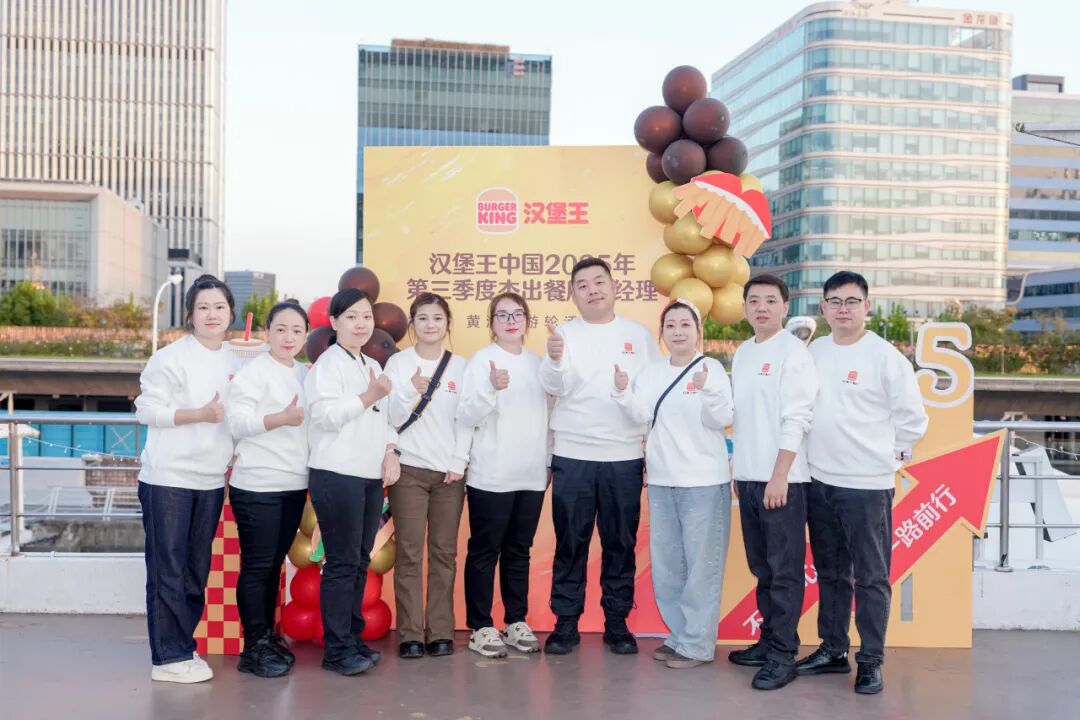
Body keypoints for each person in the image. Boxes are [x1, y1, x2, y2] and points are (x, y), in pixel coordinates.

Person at [796, 271, 928, 695]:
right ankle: (833, 649)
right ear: (823, 307)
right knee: (831, 573)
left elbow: (913, 420)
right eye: (835, 302)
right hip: (819, 480)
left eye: (852, 301)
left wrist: (885, 460)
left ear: (866, 306)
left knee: (871, 577)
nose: (843, 309)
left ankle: (870, 660)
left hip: (867, 487)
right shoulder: (815, 351)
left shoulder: (885, 357)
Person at [540, 257, 661, 655]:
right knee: (570, 543)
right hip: (573, 454)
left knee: (620, 543)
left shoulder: (638, 335)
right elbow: (554, 386)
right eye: (582, 285)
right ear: (572, 295)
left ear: (613, 287)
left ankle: (617, 622)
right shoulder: (564, 334)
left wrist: (649, 451)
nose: (592, 290)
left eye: (599, 282)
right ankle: (565, 623)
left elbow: (650, 397)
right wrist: (554, 357)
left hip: (623, 457)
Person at [612, 299, 734, 669]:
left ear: (698, 331)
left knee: (701, 567)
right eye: (671, 325)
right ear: (662, 333)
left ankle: (697, 644)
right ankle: (679, 636)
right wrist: (622, 392)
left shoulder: (711, 368)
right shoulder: (652, 373)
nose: (678, 331)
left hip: (704, 482)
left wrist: (708, 390)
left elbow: (722, 418)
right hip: (663, 480)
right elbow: (641, 417)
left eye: (685, 324)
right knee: (668, 566)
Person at [135, 274, 239, 684]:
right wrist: (199, 414)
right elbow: (146, 411)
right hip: (168, 479)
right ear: (190, 315)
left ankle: (182, 646)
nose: (212, 314)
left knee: (196, 572)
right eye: (203, 307)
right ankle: (167, 657)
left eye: (219, 307)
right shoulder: (169, 358)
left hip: (210, 480)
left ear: (231, 312)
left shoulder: (236, 359)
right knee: (168, 570)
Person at [727, 274, 817, 691]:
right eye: (754, 301)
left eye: (769, 300)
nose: (761, 307)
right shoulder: (745, 352)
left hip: (783, 481)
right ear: (745, 307)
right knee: (762, 567)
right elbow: (743, 420)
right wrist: (739, 472)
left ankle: (783, 655)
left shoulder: (793, 352)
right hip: (749, 479)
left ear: (785, 307)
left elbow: (797, 417)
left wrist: (779, 475)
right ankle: (768, 642)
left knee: (784, 571)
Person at [305, 288, 399, 676]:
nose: (361, 324)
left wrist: (391, 450)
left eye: (366, 317)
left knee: (360, 560)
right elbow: (324, 417)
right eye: (351, 317)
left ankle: (352, 637)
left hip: (368, 476)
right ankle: (337, 648)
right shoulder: (327, 365)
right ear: (334, 322)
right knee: (342, 562)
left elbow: (386, 419)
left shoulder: (371, 365)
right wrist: (367, 396)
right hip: (336, 473)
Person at [455, 292, 549, 658]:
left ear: (527, 320)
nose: (511, 320)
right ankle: (480, 626)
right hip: (491, 474)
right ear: (491, 323)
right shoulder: (482, 361)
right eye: (502, 315)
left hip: (530, 474)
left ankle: (515, 621)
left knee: (519, 551)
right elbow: (466, 415)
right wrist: (490, 389)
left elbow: (548, 419)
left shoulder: (539, 364)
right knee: (484, 551)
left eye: (517, 314)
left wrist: (546, 462)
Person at [226, 301, 311, 678]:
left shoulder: (306, 374)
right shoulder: (253, 373)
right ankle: (253, 647)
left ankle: (265, 637)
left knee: (273, 564)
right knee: (258, 565)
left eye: (296, 330)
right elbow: (237, 423)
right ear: (267, 333)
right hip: (257, 484)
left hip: (293, 483)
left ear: (306, 335)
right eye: (281, 329)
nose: (288, 337)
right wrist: (282, 418)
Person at [383, 293, 469, 659]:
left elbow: (467, 419)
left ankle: (441, 631)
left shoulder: (461, 367)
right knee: (409, 552)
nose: (430, 324)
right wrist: (409, 390)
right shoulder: (398, 363)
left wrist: (459, 461)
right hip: (409, 471)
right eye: (422, 318)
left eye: (437, 318)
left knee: (444, 553)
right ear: (412, 324)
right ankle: (410, 634)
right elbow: (388, 416)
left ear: (447, 323)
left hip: (450, 474)